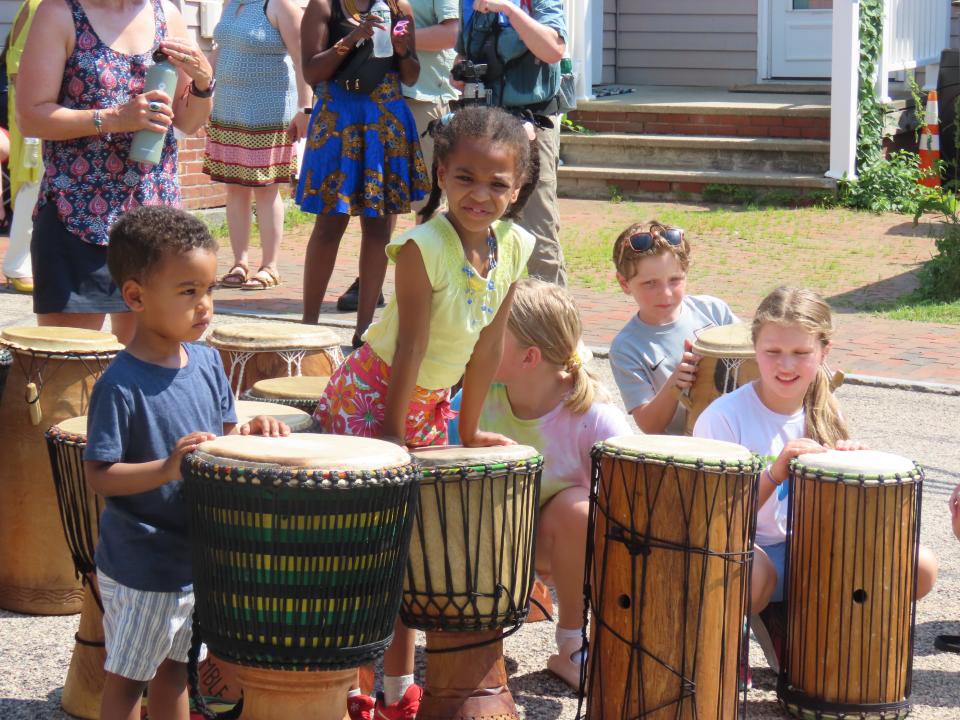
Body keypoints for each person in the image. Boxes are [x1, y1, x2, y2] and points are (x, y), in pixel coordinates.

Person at [312, 106, 537, 720]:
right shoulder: (422, 246)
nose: (481, 195)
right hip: (372, 396)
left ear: (517, 189)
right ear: (441, 174)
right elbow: (410, 343)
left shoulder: (516, 245)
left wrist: (466, 428)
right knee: (359, 548)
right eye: (466, 178)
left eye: (498, 184)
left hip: (427, 404)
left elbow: (489, 341)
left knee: (407, 550)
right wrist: (390, 436)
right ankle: (346, 687)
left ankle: (394, 690)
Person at [82, 206, 289, 720]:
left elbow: (217, 443)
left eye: (209, 290)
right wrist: (167, 468)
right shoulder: (120, 384)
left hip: (191, 556)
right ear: (135, 297)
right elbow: (98, 475)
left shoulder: (207, 362)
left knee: (176, 672)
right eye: (188, 292)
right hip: (142, 562)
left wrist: (248, 434)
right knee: (128, 681)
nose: (205, 306)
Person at [693, 286, 938, 682]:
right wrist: (775, 474)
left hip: (813, 553)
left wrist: (853, 468)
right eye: (773, 352)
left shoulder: (826, 408)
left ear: (824, 352)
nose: (785, 365)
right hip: (747, 557)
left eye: (801, 353)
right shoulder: (723, 417)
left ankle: (845, 641)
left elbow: (841, 513)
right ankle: (732, 635)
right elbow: (710, 518)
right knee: (753, 571)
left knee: (921, 566)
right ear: (754, 348)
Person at [446, 278, 631, 688]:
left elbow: (631, 510)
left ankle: (570, 645)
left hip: (558, 549)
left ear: (530, 357)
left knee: (579, 508)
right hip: (483, 542)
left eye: (491, 333)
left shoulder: (595, 418)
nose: (479, 339)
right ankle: (472, 633)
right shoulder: (474, 399)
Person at [17, 0, 215, 346]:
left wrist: (202, 84)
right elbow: (32, 116)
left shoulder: (166, 15)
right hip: (76, 217)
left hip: (153, 223)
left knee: (151, 365)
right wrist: (115, 118)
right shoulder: (60, 13)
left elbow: (189, 121)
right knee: (69, 365)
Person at [298, 0, 430, 348]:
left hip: (385, 118)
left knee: (378, 225)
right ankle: (308, 328)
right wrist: (354, 36)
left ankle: (363, 332)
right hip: (338, 118)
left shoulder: (399, 8)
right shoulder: (325, 6)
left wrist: (403, 51)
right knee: (329, 223)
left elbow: (412, 75)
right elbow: (311, 72)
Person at [333, 0, 460, 314]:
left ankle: (429, 282)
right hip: (378, 98)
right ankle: (371, 281)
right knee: (380, 198)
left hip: (424, 98)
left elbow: (449, 34)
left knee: (427, 201)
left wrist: (393, 37)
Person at [204, 0, 312, 292]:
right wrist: (196, 82)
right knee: (235, 187)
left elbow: (302, 58)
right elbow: (221, 49)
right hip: (228, 108)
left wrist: (305, 107)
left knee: (265, 188)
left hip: (269, 111)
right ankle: (240, 262)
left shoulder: (280, 6)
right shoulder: (231, 3)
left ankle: (270, 266)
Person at [456, 0, 567, 286]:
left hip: (532, 124)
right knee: (483, 225)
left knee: (538, 231)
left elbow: (553, 49)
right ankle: (488, 320)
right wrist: (462, 72)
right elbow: (462, 55)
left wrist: (508, 9)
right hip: (484, 128)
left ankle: (553, 325)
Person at [609, 220, 738, 435]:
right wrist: (675, 383)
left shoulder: (714, 312)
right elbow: (650, 425)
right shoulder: (626, 348)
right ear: (624, 283)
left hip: (735, 438)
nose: (666, 293)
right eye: (650, 283)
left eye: (675, 280)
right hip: (682, 456)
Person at [2, 0, 41, 294]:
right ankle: (18, 264)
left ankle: (26, 262)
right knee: (32, 183)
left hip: (42, 111)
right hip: (37, 115)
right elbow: (17, 68)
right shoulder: (41, 4)